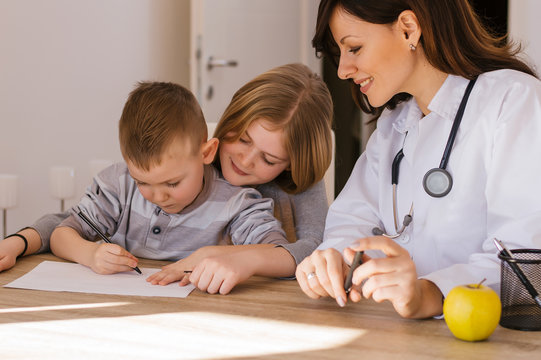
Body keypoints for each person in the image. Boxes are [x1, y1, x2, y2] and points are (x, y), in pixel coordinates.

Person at [296, 0, 541, 319]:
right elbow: (352, 220)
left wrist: (429, 293)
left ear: (408, 29)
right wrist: (335, 260)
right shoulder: (394, 125)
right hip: (397, 334)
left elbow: (524, 261)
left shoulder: (513, 100)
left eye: (354, 48)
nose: (342, 70)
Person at [1, 64, 334, 294]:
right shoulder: (143, 173)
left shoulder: (243, 202)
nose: (245, 160)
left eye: (269, 159)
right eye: (243, 139)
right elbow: (68, 224)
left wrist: (224, 257)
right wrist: (22, 242)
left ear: (292, 165)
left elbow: (313, 251)